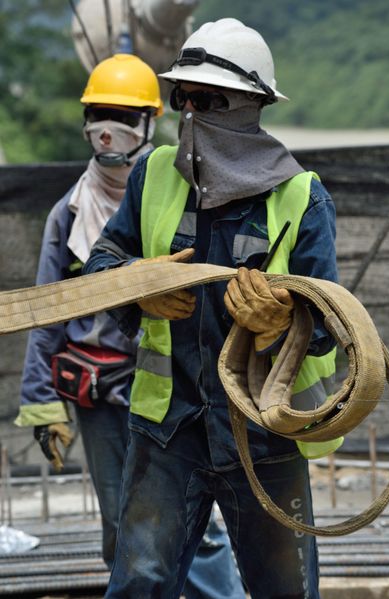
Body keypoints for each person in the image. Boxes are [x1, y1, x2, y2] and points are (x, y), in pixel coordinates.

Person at [83, 18, 338, 598]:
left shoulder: (301, 197)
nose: (190, 112)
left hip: (265, 437)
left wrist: (280, 329)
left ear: (250, 106)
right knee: (139, 585)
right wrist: (135, 285)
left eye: (208, 99)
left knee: (285, 590)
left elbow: (328, 326)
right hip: (167, 432)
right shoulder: (153, 175)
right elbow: (102, 261)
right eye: (183, 98)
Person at [16, 53, 245, 599]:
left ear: (150, 121)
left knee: (201, 525)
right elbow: (47, 314)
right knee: (125, 522)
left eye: (121, 113)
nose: (107, 129)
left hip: (173, 390)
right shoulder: (69, 214)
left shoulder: (176, 201)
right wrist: (40, 401)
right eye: (98, 112)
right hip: (98, 396)